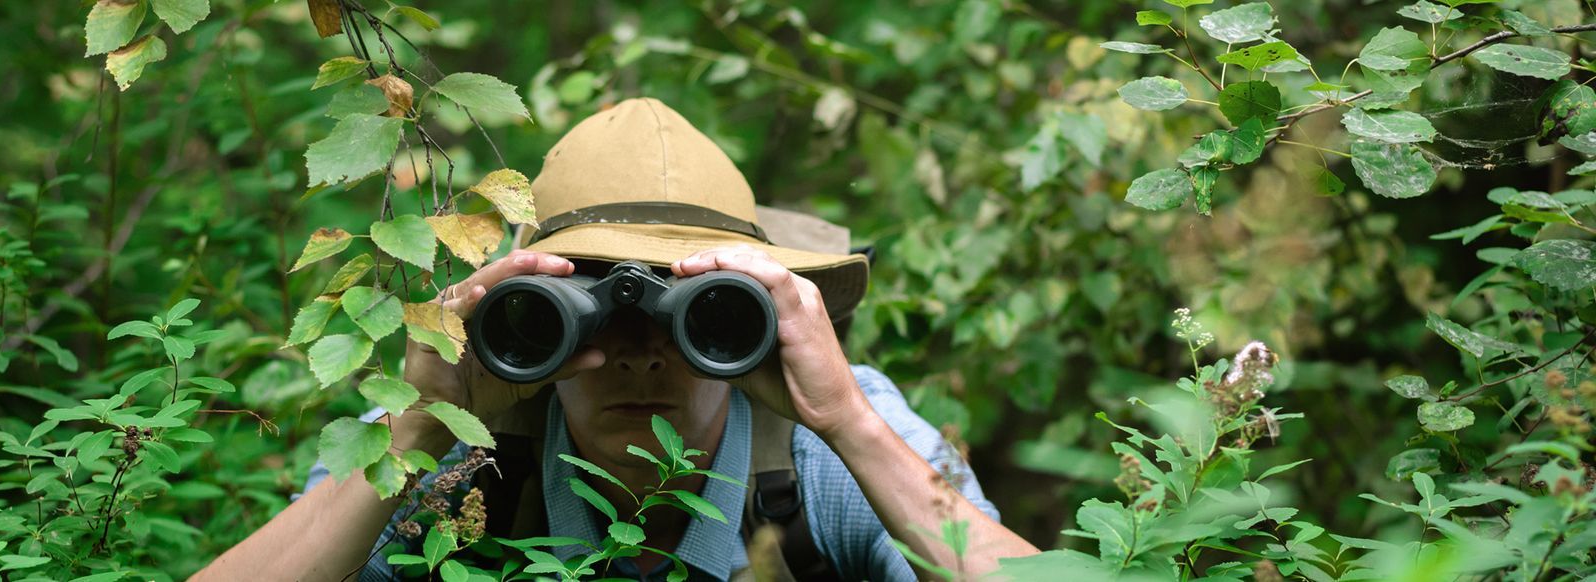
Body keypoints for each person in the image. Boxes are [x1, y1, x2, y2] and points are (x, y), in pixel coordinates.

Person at [198, 98, 1038, 581]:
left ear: (764, 327)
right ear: (523, 316)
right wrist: (421, 429)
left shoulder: (829, 447)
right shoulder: (440, 444)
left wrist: (850, 423)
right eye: (584, 314)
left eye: (703, 316)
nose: (640, 353)